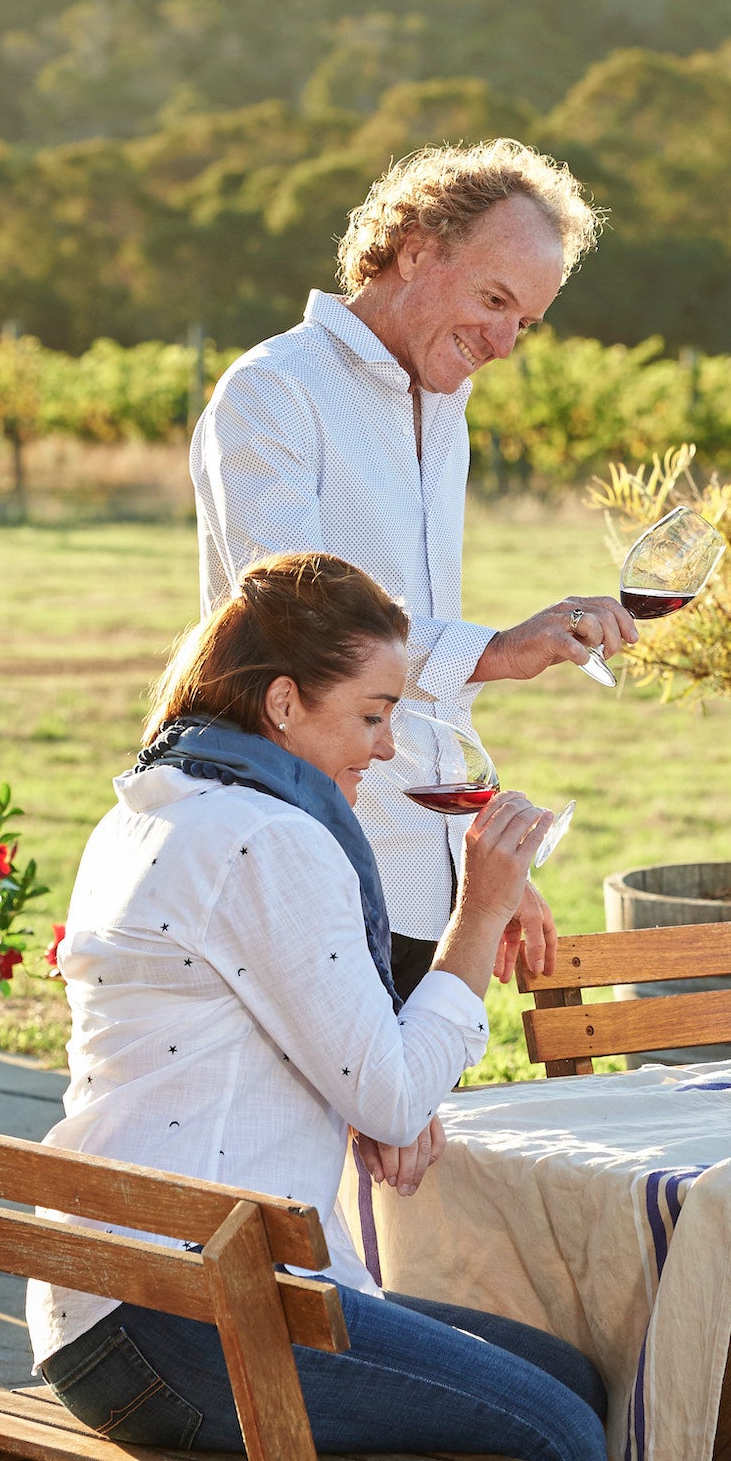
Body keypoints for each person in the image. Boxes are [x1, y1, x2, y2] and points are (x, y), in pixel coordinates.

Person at [28, 551, 609, 1461]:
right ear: (284, 704)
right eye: (374, 715)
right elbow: (391, 1096)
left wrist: (377, 1098)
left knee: (568, 1378)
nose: (385, 747)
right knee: (560, 1430)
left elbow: (332, 1061)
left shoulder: (161, 802)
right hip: (185, 1314)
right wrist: (481, 909)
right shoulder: (266, 837)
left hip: (113, 1295)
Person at [191, 139, 632, 996]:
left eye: (527, 322)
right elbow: (303, 629)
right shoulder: (274, 392)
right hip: (305, 856)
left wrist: (490, 866)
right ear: (417, 250)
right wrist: (497, 648)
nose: (504, 342)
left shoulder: (445, 407)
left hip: (427, 887)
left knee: (416, 1128)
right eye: (494, 299)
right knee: (336, 1131)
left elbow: (425, 697)